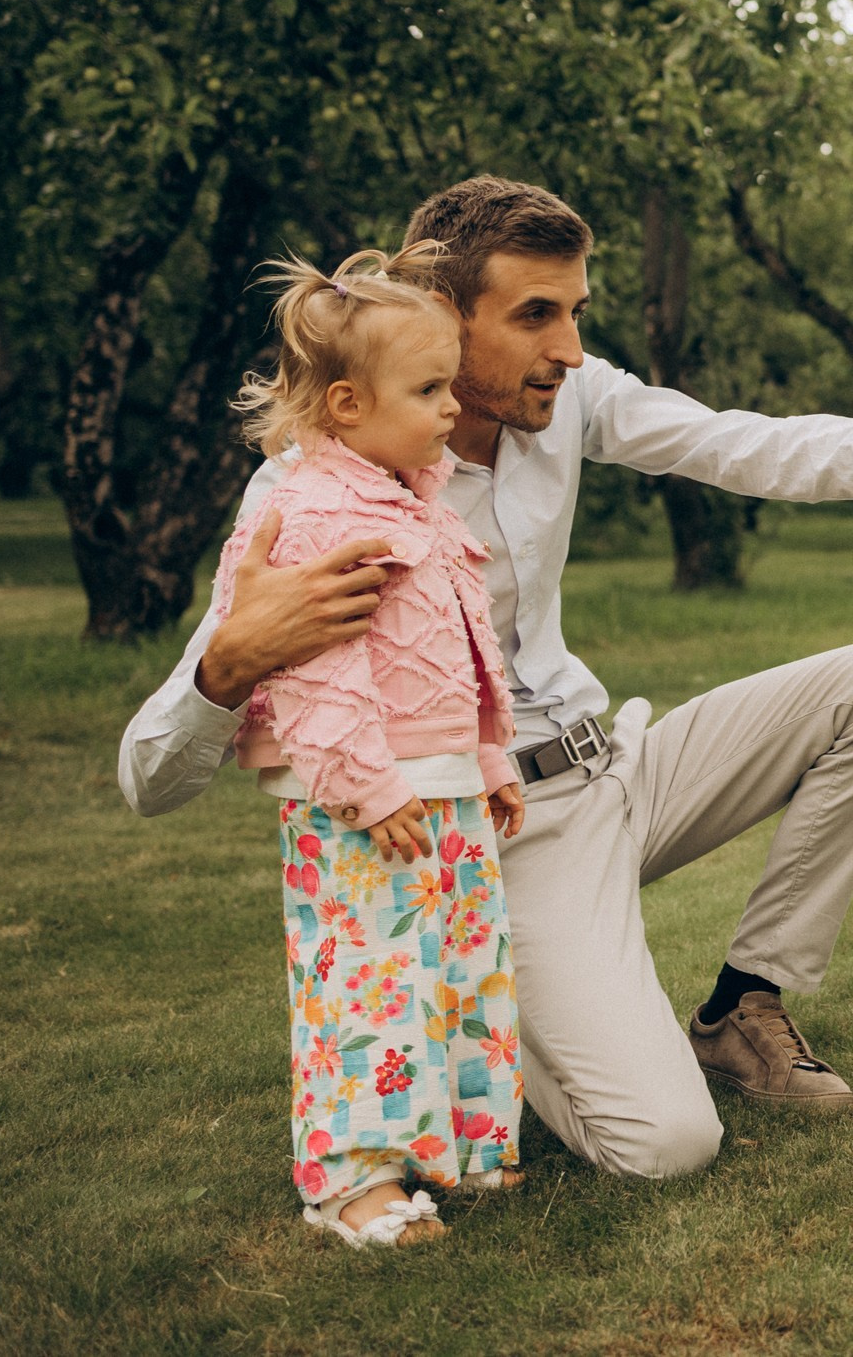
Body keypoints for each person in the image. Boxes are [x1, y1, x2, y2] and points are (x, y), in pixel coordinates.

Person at [121, 176, 853, 1180]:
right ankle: (493, 1003)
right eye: (535, 315)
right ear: (445, 320)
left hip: (619, 770)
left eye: (576, 313)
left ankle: (739, 1006)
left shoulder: (570, 397)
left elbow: (746, 442)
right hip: (494, 833)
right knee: (667, 1146)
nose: (569, 348)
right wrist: (229, 664)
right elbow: (148, 776)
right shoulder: (313, 496)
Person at [215, 240, 528, 1249]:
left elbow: (463, 650)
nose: (451, 406)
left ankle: (466, 1146)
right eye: (430, 387)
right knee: (369, 980)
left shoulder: (415, 501)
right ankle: (353, 1181)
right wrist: (365, 787)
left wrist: (488, 761)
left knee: (462, 968)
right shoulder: (311, 510)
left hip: (439, 789)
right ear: (347, 404)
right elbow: (314, 668)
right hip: (362, 800)